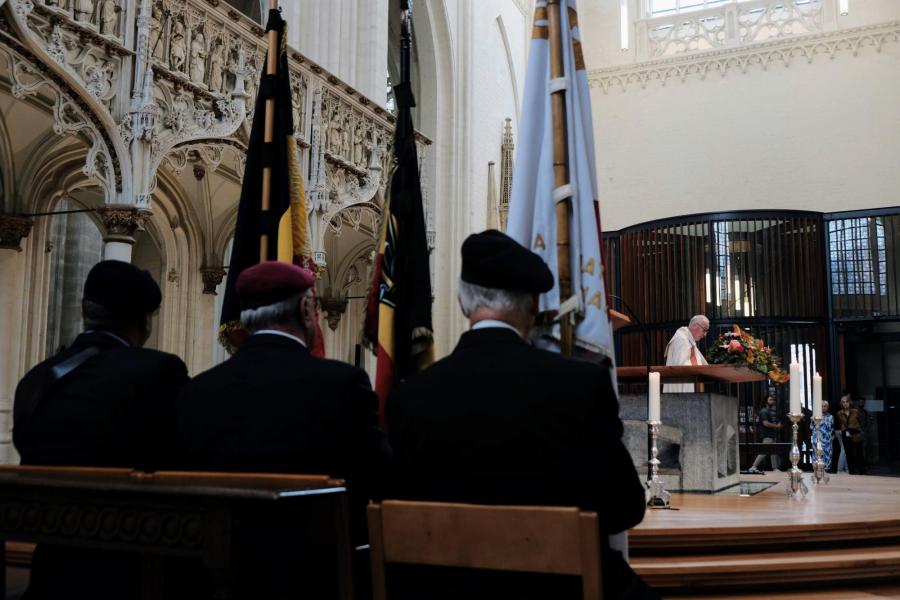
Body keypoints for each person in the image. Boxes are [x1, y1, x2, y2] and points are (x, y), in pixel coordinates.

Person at [387, 230, 654, 600]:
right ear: (532, 307)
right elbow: (624, 508)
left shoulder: (408, 398)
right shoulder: (581, 386)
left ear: (464, 303)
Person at [175, 261, 391, 598]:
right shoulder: (342, 385)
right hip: (316, 578)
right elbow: (379, 480)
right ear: (307, 309)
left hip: (216, 581)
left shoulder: (196, 393)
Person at [13, 259, 189, 600]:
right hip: (128, 568)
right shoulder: (157, 371)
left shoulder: (37, 378)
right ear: (145, 321)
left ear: (84, 311)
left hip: (52, 568)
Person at [663, 315, 709, 392]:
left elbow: (703, 365)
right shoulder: (681, 339)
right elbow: (680, 366)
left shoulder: (690, 341)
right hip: (680, 390)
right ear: (695, 325)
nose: (705, 334)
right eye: (704, 330)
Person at [748, 394, 782, 474]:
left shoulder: (767, 411)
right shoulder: (764, 411)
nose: (772, 401)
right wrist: (777, 426)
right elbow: (765, 423)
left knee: (773, 451)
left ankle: (775, 468)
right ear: (766, 401)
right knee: (764, 452)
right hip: (767, 435)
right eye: (770, 400)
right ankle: (753, 467)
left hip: (770, 434)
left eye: (772, 400)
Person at [837, 394, 866, 474]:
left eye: (846, 402)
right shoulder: (839, 413)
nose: (845, 403)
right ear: (841, 403)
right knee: (848, 454)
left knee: (858, 453)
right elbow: (840, 423)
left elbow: (861, 422)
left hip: (856, 432)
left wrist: (861, 431)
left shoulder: (855, 411)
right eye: (843, 402)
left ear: (850, 402)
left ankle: (862, 472)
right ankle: (852, 472)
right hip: (845, 433)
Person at [811, 400, 834, 470]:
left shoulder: (831, 417)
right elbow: (811, 427)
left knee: (826, 457)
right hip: (817, 440)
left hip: (827, 441)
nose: (823, 408)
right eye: (821, 406)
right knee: (817, 456)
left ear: (828, 407)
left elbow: (832, 429)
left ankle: (826, 470)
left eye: (825, 406)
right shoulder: (815, 416)